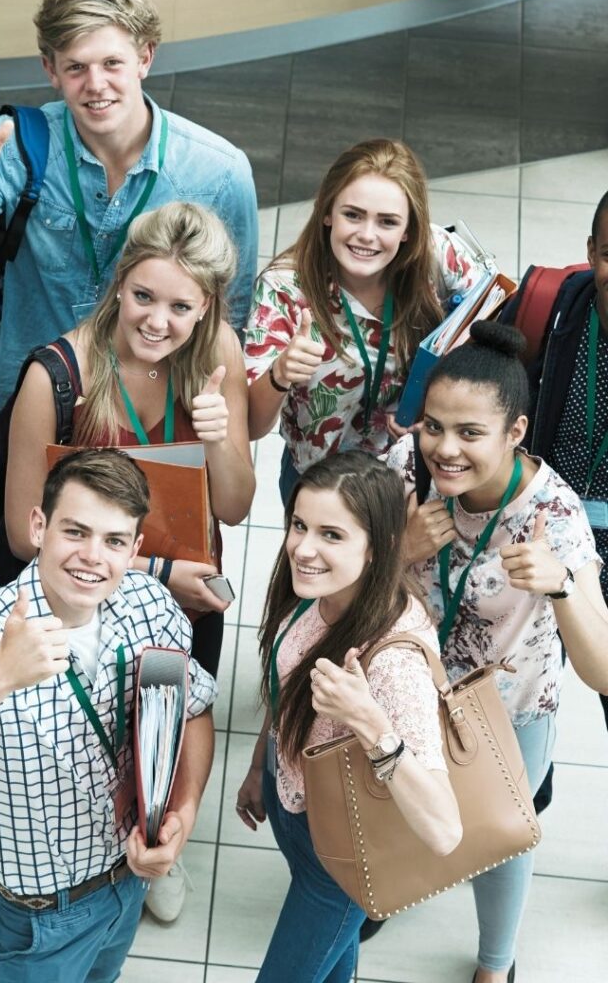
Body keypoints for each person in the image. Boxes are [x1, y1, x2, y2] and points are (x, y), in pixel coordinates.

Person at [0, 448, 218, 983]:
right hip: (40, 918)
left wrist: (184, 814)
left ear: (135, 549)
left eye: (114, 541)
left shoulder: (149, 602)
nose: (92, 558)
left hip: (128, 883)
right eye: (75, 532)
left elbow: (193, 710)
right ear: (39, 526)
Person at [0, 0, 258, 409]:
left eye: (112, 63)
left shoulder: (220, 173)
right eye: (76, 67)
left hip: (154, 403)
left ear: (145, 59)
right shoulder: (21, 143)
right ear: (51, 70)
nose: (96, 85)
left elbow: (231, 315)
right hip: (35, 396)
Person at [386, 321, 608, 983]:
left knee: (500, 838)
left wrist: (561, 585)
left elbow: (601, 670)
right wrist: (398, 552)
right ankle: (394, 889)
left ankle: (494, 962)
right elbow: (344, 578)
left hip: (508, 712)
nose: (444, 449)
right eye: (433, 426)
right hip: (409, 690)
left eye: (469, 434)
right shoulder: (406, 470)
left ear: (515, 433)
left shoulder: (556, 519)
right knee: (402, 798)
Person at [235, 450, 461, 983]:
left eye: (332, 535)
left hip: (342, 864)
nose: (303, 549)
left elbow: (445, 830)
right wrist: (258, 768)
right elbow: (286, 683)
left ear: (378, 546)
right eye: (299, 525)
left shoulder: (394, 661)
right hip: (298, 817)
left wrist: (368, 720)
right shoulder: (315, 592)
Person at [6, 201, 254, 680]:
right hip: (83, 614)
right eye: (144, 296)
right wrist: (159, 573)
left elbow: (235, 506)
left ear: (206, 305)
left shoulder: (219, 350)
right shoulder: (57, 377)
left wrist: (217, 440)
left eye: (181, 307)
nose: (157, 322)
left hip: (188, 611)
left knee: (172, 746)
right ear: (120, 282)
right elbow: (22, 534)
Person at [243, 138, 482, 503]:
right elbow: (252, 427)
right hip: (318, 483)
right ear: (327, 213)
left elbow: (500, 323)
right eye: (352, 215)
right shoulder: (285, 288)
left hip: (412, 471)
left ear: (408, 231)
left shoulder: (435, 255)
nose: (367, 235)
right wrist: (280, 374)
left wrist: (439, 402)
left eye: (387, 222)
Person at [525, 189, 608, 734]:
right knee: (517, 690)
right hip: (536, 533)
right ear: (591, 250)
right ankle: (526, 799)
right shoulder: (556, 307)